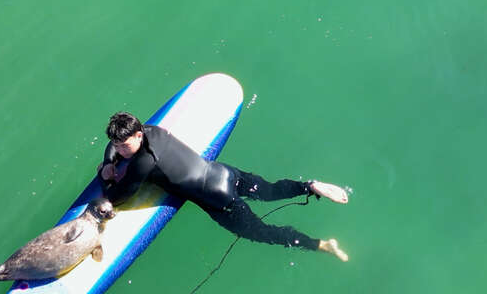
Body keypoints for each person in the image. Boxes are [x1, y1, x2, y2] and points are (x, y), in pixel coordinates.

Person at [97, 112, 350, 261]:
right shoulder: (154, 130)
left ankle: (320, 245)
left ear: (138, 135)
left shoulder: (143, 163)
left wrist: (104, 172)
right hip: (224, 172)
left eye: (124, 146)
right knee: (270, 191)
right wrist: (111, 158)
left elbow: (117, 197)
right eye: (117, 146)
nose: (119, 150)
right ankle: (309, 186)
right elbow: (112, 147)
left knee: (261, 232)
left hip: (221, 202)